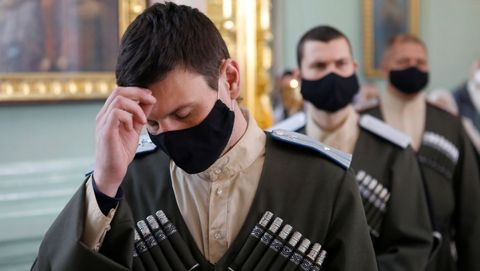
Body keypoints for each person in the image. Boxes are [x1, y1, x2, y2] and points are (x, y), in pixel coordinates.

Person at [31, 3, 378, 271]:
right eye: (152, 123)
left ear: (229, 79)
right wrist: (103, 184)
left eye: (184, 113)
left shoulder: (324, 180)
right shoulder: (125, 182)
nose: (169, 133)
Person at [275, 25, 433, 270]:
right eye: (319, 66)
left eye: (341, 64)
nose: (333, 74)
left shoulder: (393, 151)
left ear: (354, 68)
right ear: (300, 75)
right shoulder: (278, 145)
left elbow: (411, 246)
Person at [363, 33, 480, 271]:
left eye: (420, 63)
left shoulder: (450, 125)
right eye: (403, 62)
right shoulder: (363, 123)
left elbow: (471, 213)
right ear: (385, 68)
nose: (413, 68)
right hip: (380, 260)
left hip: (441, 261)